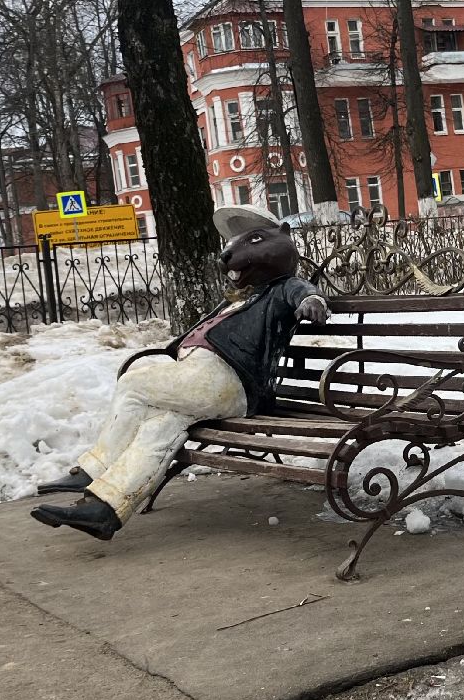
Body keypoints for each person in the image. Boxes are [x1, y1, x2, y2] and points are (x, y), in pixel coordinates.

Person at [30, 206, 330, 540]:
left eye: (255, 240)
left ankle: (93, 468)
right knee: (160, 428)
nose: (234, 252)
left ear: (284, 239)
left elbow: (303, 291)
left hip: (227, 381)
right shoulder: (244, 297)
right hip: (203, 379)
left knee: (133, 384)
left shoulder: (282, 288)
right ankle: (104, 508)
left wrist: (312, 299)